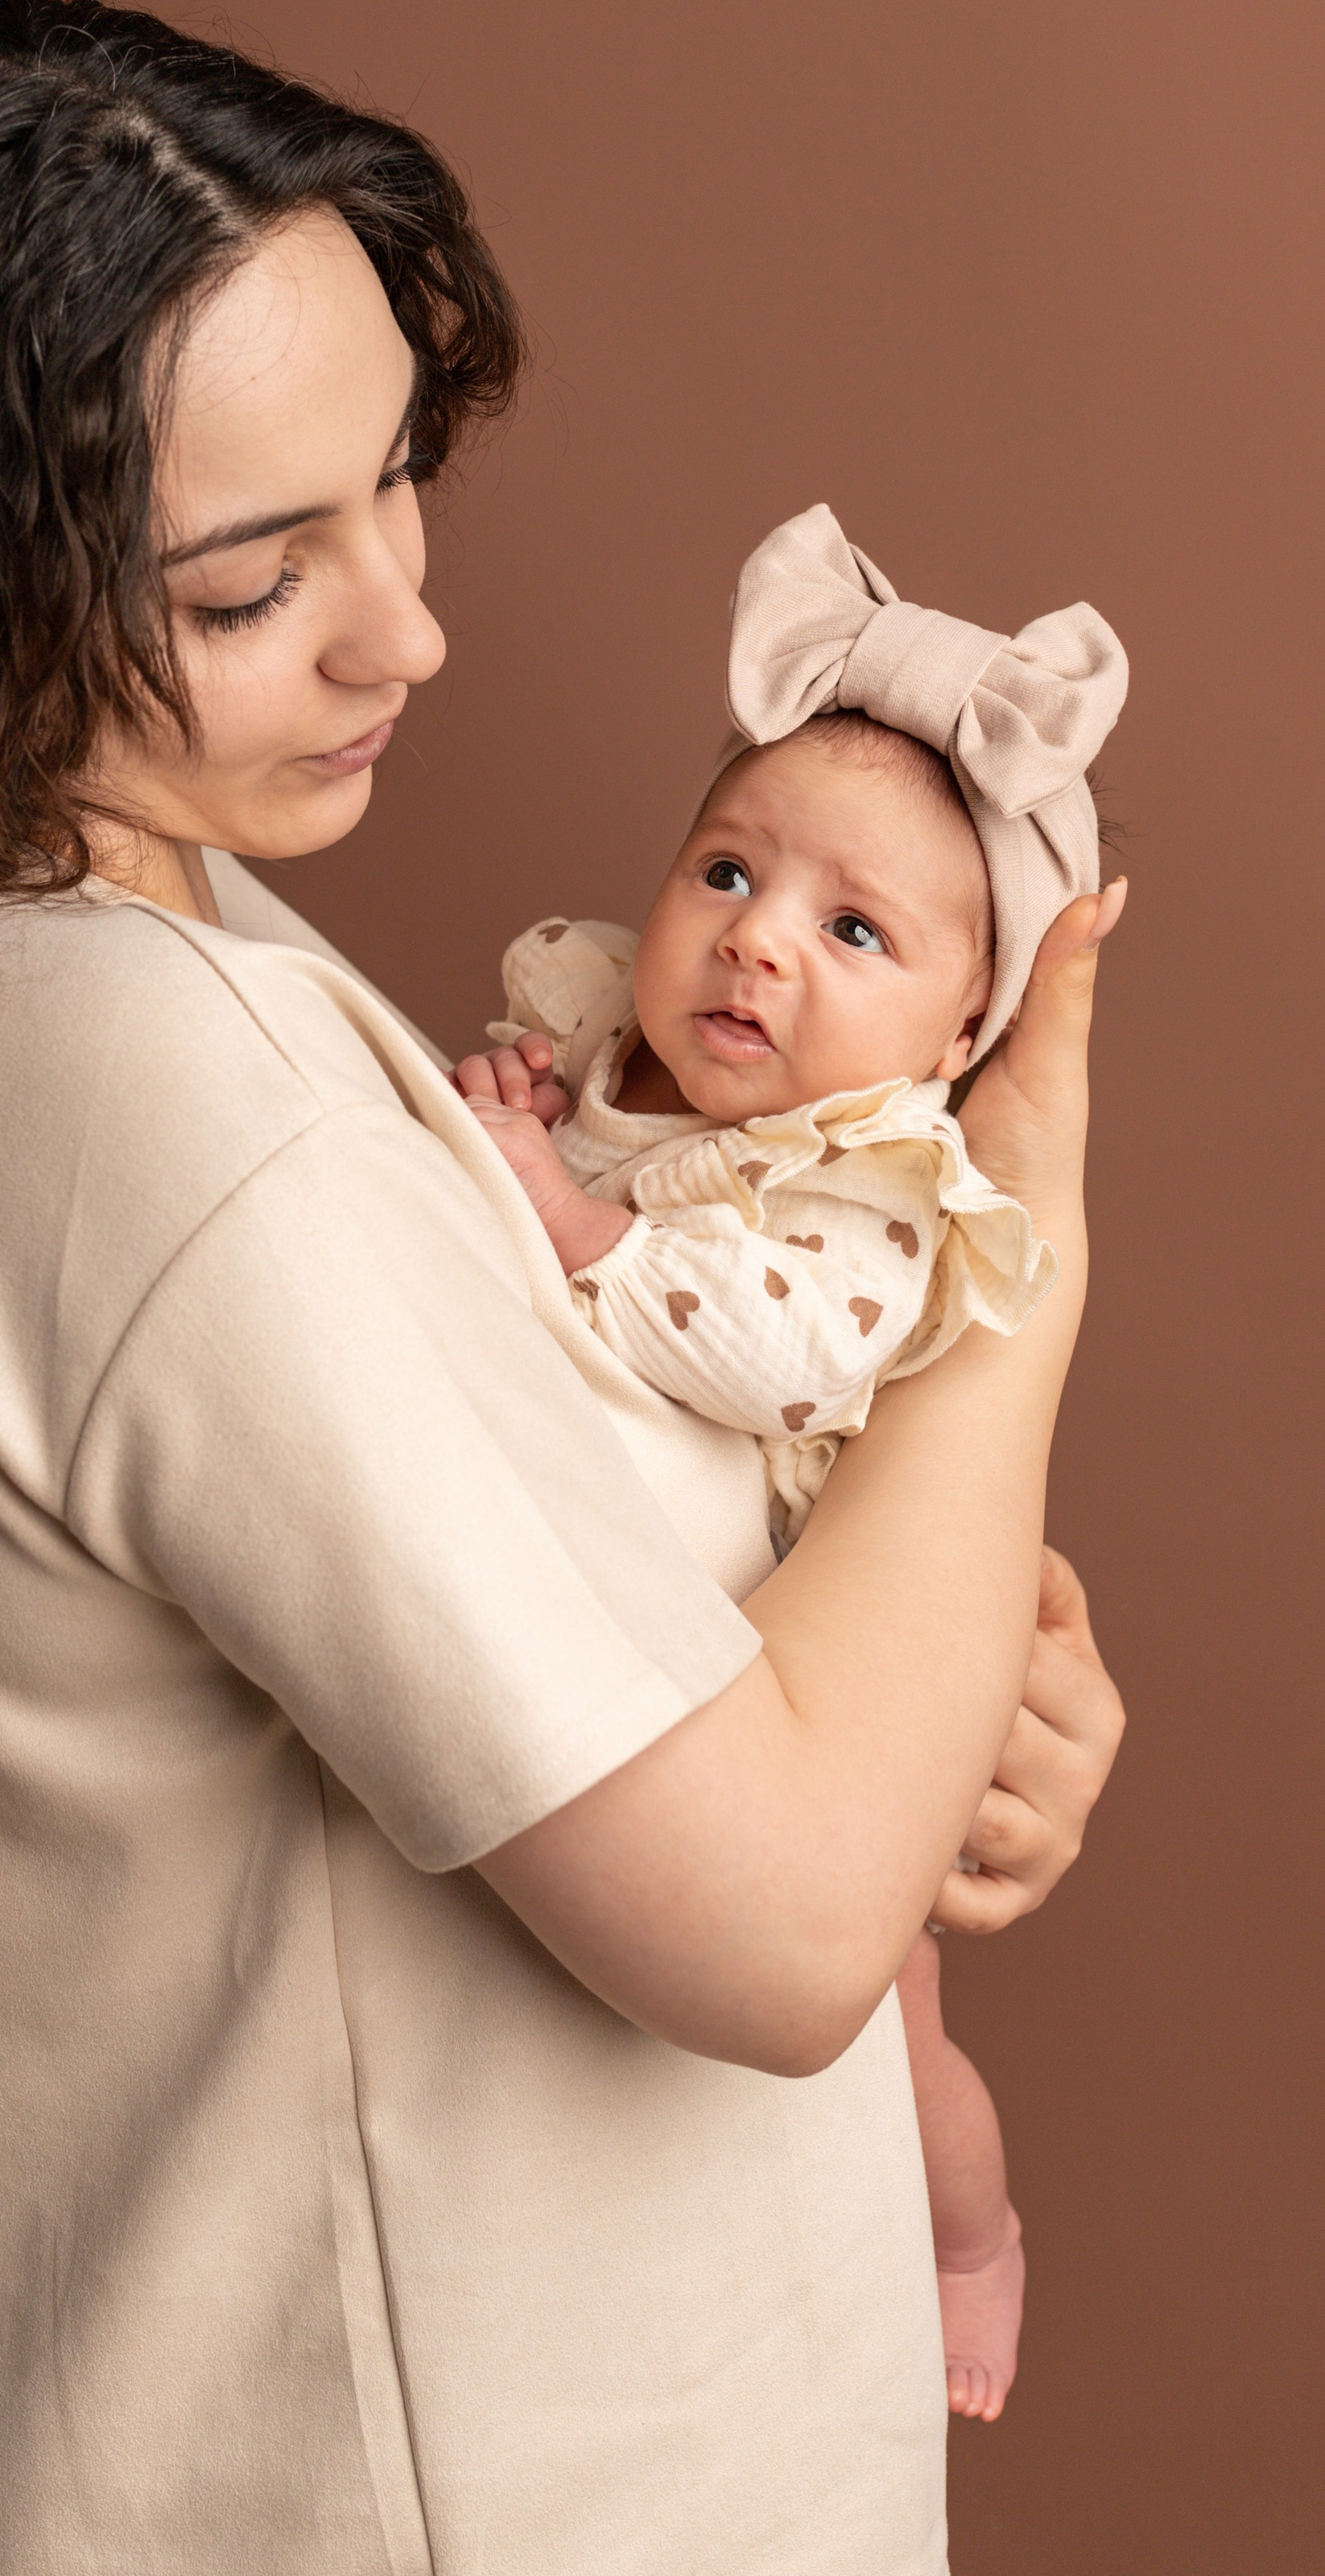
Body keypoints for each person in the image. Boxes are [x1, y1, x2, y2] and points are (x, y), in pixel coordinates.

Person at [0, 0, 1126, 2575]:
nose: (406, 635)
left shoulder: (64, 957)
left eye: (395, 490)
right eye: (258, 580)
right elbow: (790, 1924)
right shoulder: (167, 1115)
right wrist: (1019, 1256)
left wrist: (928, 1699)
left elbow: (614, 1623)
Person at [452, 504, 1130, 2425]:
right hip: (656, 1711)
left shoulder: (872, 1191)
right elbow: (534, 1199)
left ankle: (969, 2236)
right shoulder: (617, 1056)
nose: (755, 942)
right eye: (726, 872)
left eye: (853, 931)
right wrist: (519, 1121)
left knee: (896, 2060)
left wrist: (571, 1232)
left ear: (958, 1032)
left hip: (838, 1683)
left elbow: (765, 1343)